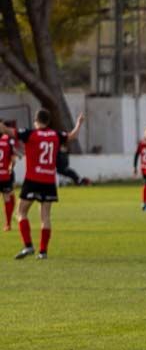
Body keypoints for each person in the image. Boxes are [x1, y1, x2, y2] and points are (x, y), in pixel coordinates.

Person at [12, 109, 84, 260]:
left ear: (36, 120)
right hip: (49, 180)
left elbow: (6, 130)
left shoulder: (30, 134)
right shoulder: (55, 135)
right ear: (48, 121)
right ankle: (43, 252)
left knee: (20, 212)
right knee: (45, 217)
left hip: (32, 179)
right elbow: (72, 136)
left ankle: (28, 246)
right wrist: (78, 123)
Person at [0, 121, 17, 231]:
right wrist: (11, 168)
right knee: (7, 197)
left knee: (8, 196)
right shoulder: (7, 140)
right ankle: (8, 224)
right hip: (5, 174)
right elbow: (13, 159)